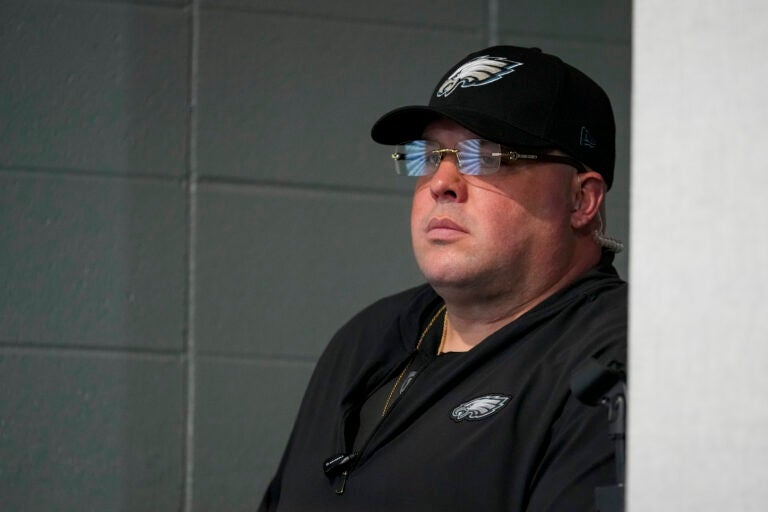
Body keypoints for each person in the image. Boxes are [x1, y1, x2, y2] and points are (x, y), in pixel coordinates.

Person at [259, 45, 627, 512]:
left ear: (580, 201)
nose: (441, 182)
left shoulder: (617, 358)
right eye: (431, 156)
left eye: (486, 155)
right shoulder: (365, 339)